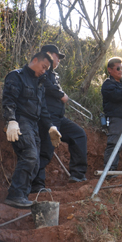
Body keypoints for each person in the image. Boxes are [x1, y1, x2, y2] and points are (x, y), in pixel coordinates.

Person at [2, 52, 62, 208]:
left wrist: (50, 126)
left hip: (34, 124)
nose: (44, 71)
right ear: (35, 60)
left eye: (47, 69)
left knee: (35, 162)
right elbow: (9, 100)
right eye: (43, 67)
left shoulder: (39, 82)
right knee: (29, 155)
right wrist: (11, 120)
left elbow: (42, 108)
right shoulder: (17, 76)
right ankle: (15, 195)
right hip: (21, 120)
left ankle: (22, 195)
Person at [30, 45, 88, 192]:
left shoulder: (54, 75)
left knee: (79, 134)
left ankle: (77, 174)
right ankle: (37, 185)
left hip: (59, 118)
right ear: (48, 54)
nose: (59, 60)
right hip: (47, 117)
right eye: (57, 56)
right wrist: (60, 94)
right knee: (46, 150)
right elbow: (45, 85)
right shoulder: (41, 71)